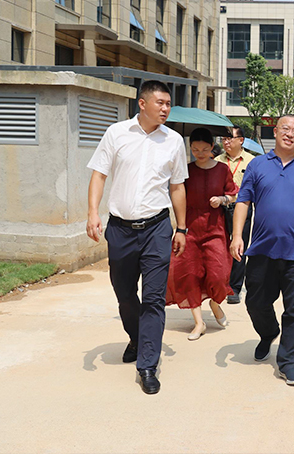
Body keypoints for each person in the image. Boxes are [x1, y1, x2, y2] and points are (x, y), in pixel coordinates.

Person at [86, 80, 188, 395]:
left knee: (154, 299)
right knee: (125, 293)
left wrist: (181, 228)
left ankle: (147, 364)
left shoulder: (174, 141)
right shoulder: (116, 133)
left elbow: (177, 187)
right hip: (120, 229)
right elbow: (99, 174)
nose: (166, 109)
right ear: (142, 104)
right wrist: (92, 213)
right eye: (160, 103)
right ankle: (136, 336)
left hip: (157, 228)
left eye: (168, 104)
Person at [230, 115, 294, 386]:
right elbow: (243, 202)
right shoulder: (257, 164)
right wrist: (237, 236)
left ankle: (289, 362)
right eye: (286, 128)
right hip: (262, 249)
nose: (290, 134)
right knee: (255, 302)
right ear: (275, 131)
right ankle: (269, 332)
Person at [166, 128, 238, 340]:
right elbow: (177, 194)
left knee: (218, 274)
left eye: (205, 149)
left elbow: (234, 195)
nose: (200, 153)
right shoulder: (185, 171)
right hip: (190, 229)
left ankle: (215, 303)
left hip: (215, 229)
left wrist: (222, 199)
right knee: (189, 274)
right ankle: (199, 323)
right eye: (195, 149)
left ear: (212, 147)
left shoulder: (222, 169)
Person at [215, 126, 256, 304]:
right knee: (220, 246)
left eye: (230, 138)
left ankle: (234, 287)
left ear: (241, 140)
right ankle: (221, 282)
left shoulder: (252, 162)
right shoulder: (217, 161)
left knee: (239, 246)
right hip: (220, 208)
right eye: (224, 139)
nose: (226, 142)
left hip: (242, 207)